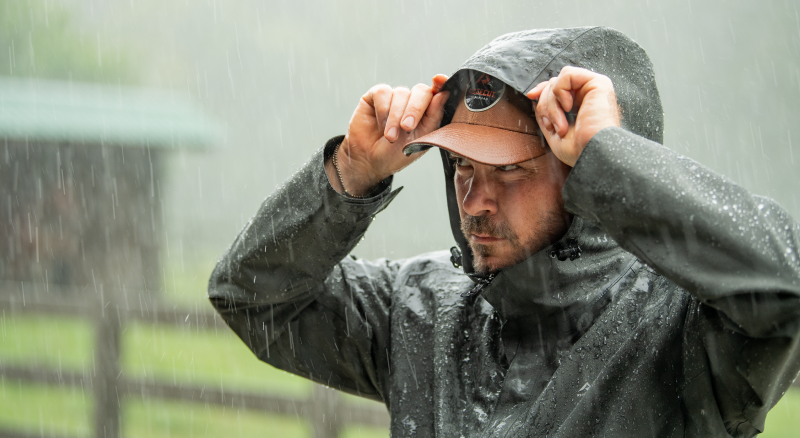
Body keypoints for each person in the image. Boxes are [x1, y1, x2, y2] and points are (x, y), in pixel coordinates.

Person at [208, 27, 800, 437]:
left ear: (585, 176)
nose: (475, 199)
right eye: (463, 165)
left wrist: (611, 158)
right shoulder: (420, 307)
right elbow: (250, 296)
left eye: (510, 170)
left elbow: (786, 290)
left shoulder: (682, 329)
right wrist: (350, 175)